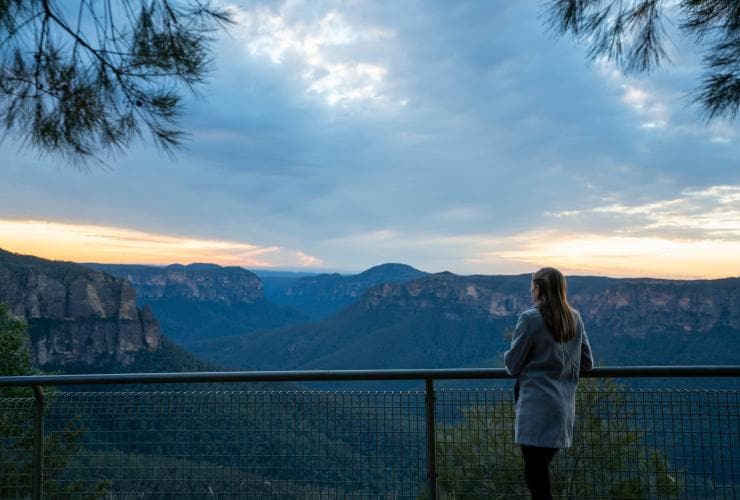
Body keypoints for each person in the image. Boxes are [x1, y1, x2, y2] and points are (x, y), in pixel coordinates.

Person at [504, 267, 593, 500]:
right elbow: (587, 363)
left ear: (538, 288)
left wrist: (511, 355)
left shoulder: (530, 318)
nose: (531, 291)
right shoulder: (575, 318)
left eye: (532, 286)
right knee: (537, 475)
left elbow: (513, 365)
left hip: (536, 409)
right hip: (563, 408)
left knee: (536, 479)